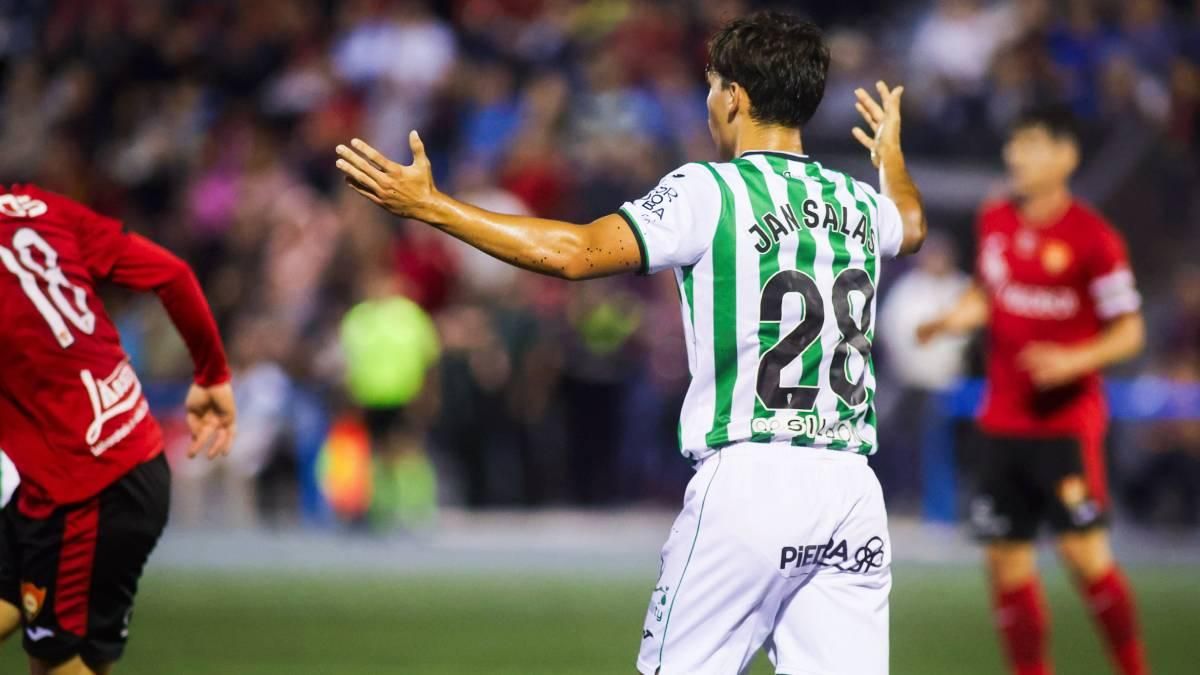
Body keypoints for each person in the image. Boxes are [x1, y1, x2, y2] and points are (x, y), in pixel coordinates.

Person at [336, 11, 926, 674]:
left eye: (711, 86)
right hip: (851, 488)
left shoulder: (710, 190)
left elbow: (573, 252)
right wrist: (891, 160)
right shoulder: (855, 201)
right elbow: (910, 221)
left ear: (734, 96)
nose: (709, 100)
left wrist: (433, 207)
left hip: (753, 479)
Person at [918, 105, 1148, 675]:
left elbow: (1130, 331)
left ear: (1066, 156)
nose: (1015, 156)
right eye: (1014, 144)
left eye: (1031, 144)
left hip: (1065, 426)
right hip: (1002, 421)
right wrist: (952, 319)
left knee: (1082, 553)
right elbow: (987, 294)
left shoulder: (1093, 239)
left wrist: (1076, 357)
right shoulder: (994, 218)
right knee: (1006, 561)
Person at [0, 185, 236, 675]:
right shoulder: (38, 207)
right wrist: (212, 375)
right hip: (128, 459)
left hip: (83, 488)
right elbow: (173, 273)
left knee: (54, 663)